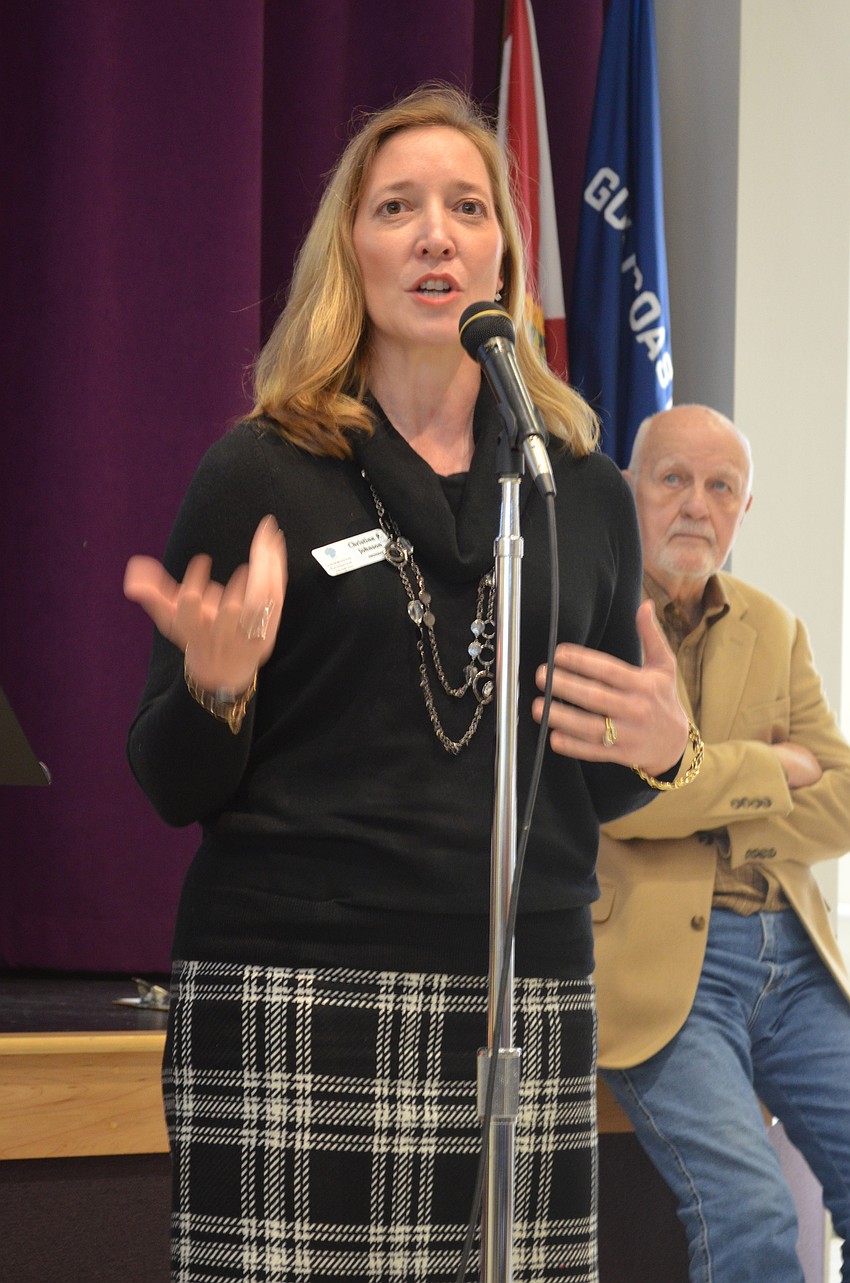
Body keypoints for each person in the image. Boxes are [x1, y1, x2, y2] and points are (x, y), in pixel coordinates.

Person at [124, 84, 692, 1283]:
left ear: (500, 251)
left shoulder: (578, 488)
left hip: (520, 995)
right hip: (294, 993)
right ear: (353, 250)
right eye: (397, 207)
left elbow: (586, 784)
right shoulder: (261, 468)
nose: (436, 232)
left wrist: (657, 749)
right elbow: (171, 778)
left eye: (466, 206)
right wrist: (217, 687)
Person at [593, 403, 850, 1282]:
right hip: (669, 970)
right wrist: (777, 767)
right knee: (753, 1211)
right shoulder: (590, 616)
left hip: (795, 956)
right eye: (673, 480)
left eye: (721, 486)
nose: (696, 505)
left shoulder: (775, 628)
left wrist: (694, 777)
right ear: (631, 490)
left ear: (745, 508)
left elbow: (844, 800)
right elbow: (617, 800)